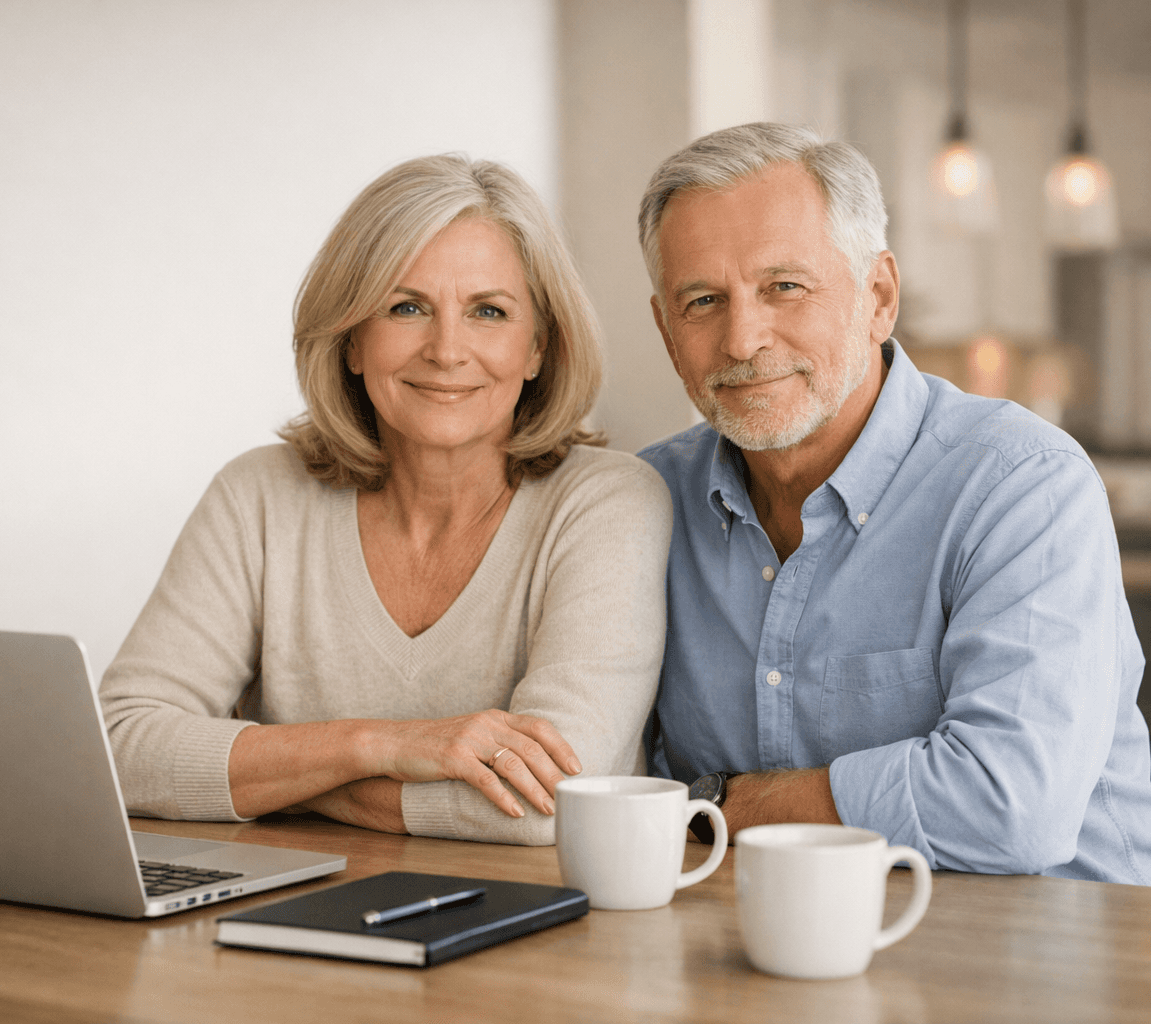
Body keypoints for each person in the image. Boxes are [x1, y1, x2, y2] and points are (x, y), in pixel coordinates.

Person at [99, 154, 669, 845]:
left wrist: (281, 780)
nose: (447, 350)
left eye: (489, 311)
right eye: (406, 308)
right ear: (350, 340)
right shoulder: (257, 495)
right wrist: (378, 745)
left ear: (538, 349)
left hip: (534, 936)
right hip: (286, 924)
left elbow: (544, 805)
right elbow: (119, 747)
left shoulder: (607, 503)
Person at [635, 122, 1151, 883]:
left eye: (785, 287)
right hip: (770, 949)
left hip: (1053, 958)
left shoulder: (1022, 485)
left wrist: (726, 804)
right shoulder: (645, 503)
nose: (742, 338)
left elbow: (1011, 807)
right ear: (666, 330)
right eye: (704, 300)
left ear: (878, 297)